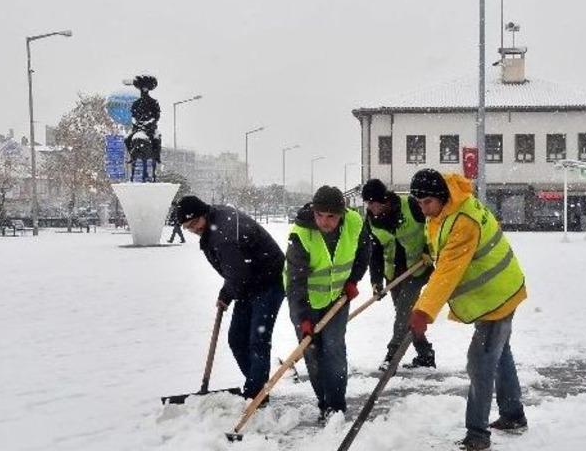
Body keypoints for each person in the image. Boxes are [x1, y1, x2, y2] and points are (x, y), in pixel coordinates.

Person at [406, 169, 528, 451]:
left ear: (440, 197)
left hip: (496, 296)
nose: (423, 210)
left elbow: (449, 270)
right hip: (497, 291)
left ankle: (477, 434)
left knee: (480, 361)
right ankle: (513, 415)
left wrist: (423, 311)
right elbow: (444, 249)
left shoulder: (463, 220)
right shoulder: (447, 208)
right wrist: (431, 255)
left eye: (427, 203)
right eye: (418, 203)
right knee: (499, 355)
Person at [177, 195, 285, 401]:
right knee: (237, 339)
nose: (194, 229)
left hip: (269, 282)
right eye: (188, 227)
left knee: (257, 340)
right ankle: (257, 386)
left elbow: (237, 273)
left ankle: (256, 394)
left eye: (195, 223)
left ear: (204, 214)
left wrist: (225, 295)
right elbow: (237, 272)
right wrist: (228, 292)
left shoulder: (223, 236)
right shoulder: (215, 222)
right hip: (248, 284)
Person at [285, 186, 370, 421]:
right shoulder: (301, 234)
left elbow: (365, 250)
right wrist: (301, 318)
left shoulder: (354, 223)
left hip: (338, 299)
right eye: (320, 215)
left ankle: (336, 407)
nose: (324, 221)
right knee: (312, 353)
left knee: (333, 349)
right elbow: (295, 281)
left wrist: (353, 279)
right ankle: (323, 402)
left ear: (341, 213)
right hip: (307, 302)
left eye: (331, 216)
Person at [361, 178, 436, 371]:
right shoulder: (371, 221)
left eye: (373, 203)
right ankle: (425, 354)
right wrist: (376, 281)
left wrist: (430, 249)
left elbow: (432, 226)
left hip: (418, 267)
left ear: (384, 200)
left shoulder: (410, 205)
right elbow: (375, 253)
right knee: (406, 316)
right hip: (393, 273)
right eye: (367, 204)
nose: (371, 208)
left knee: (404, 312)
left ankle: (392, 356)